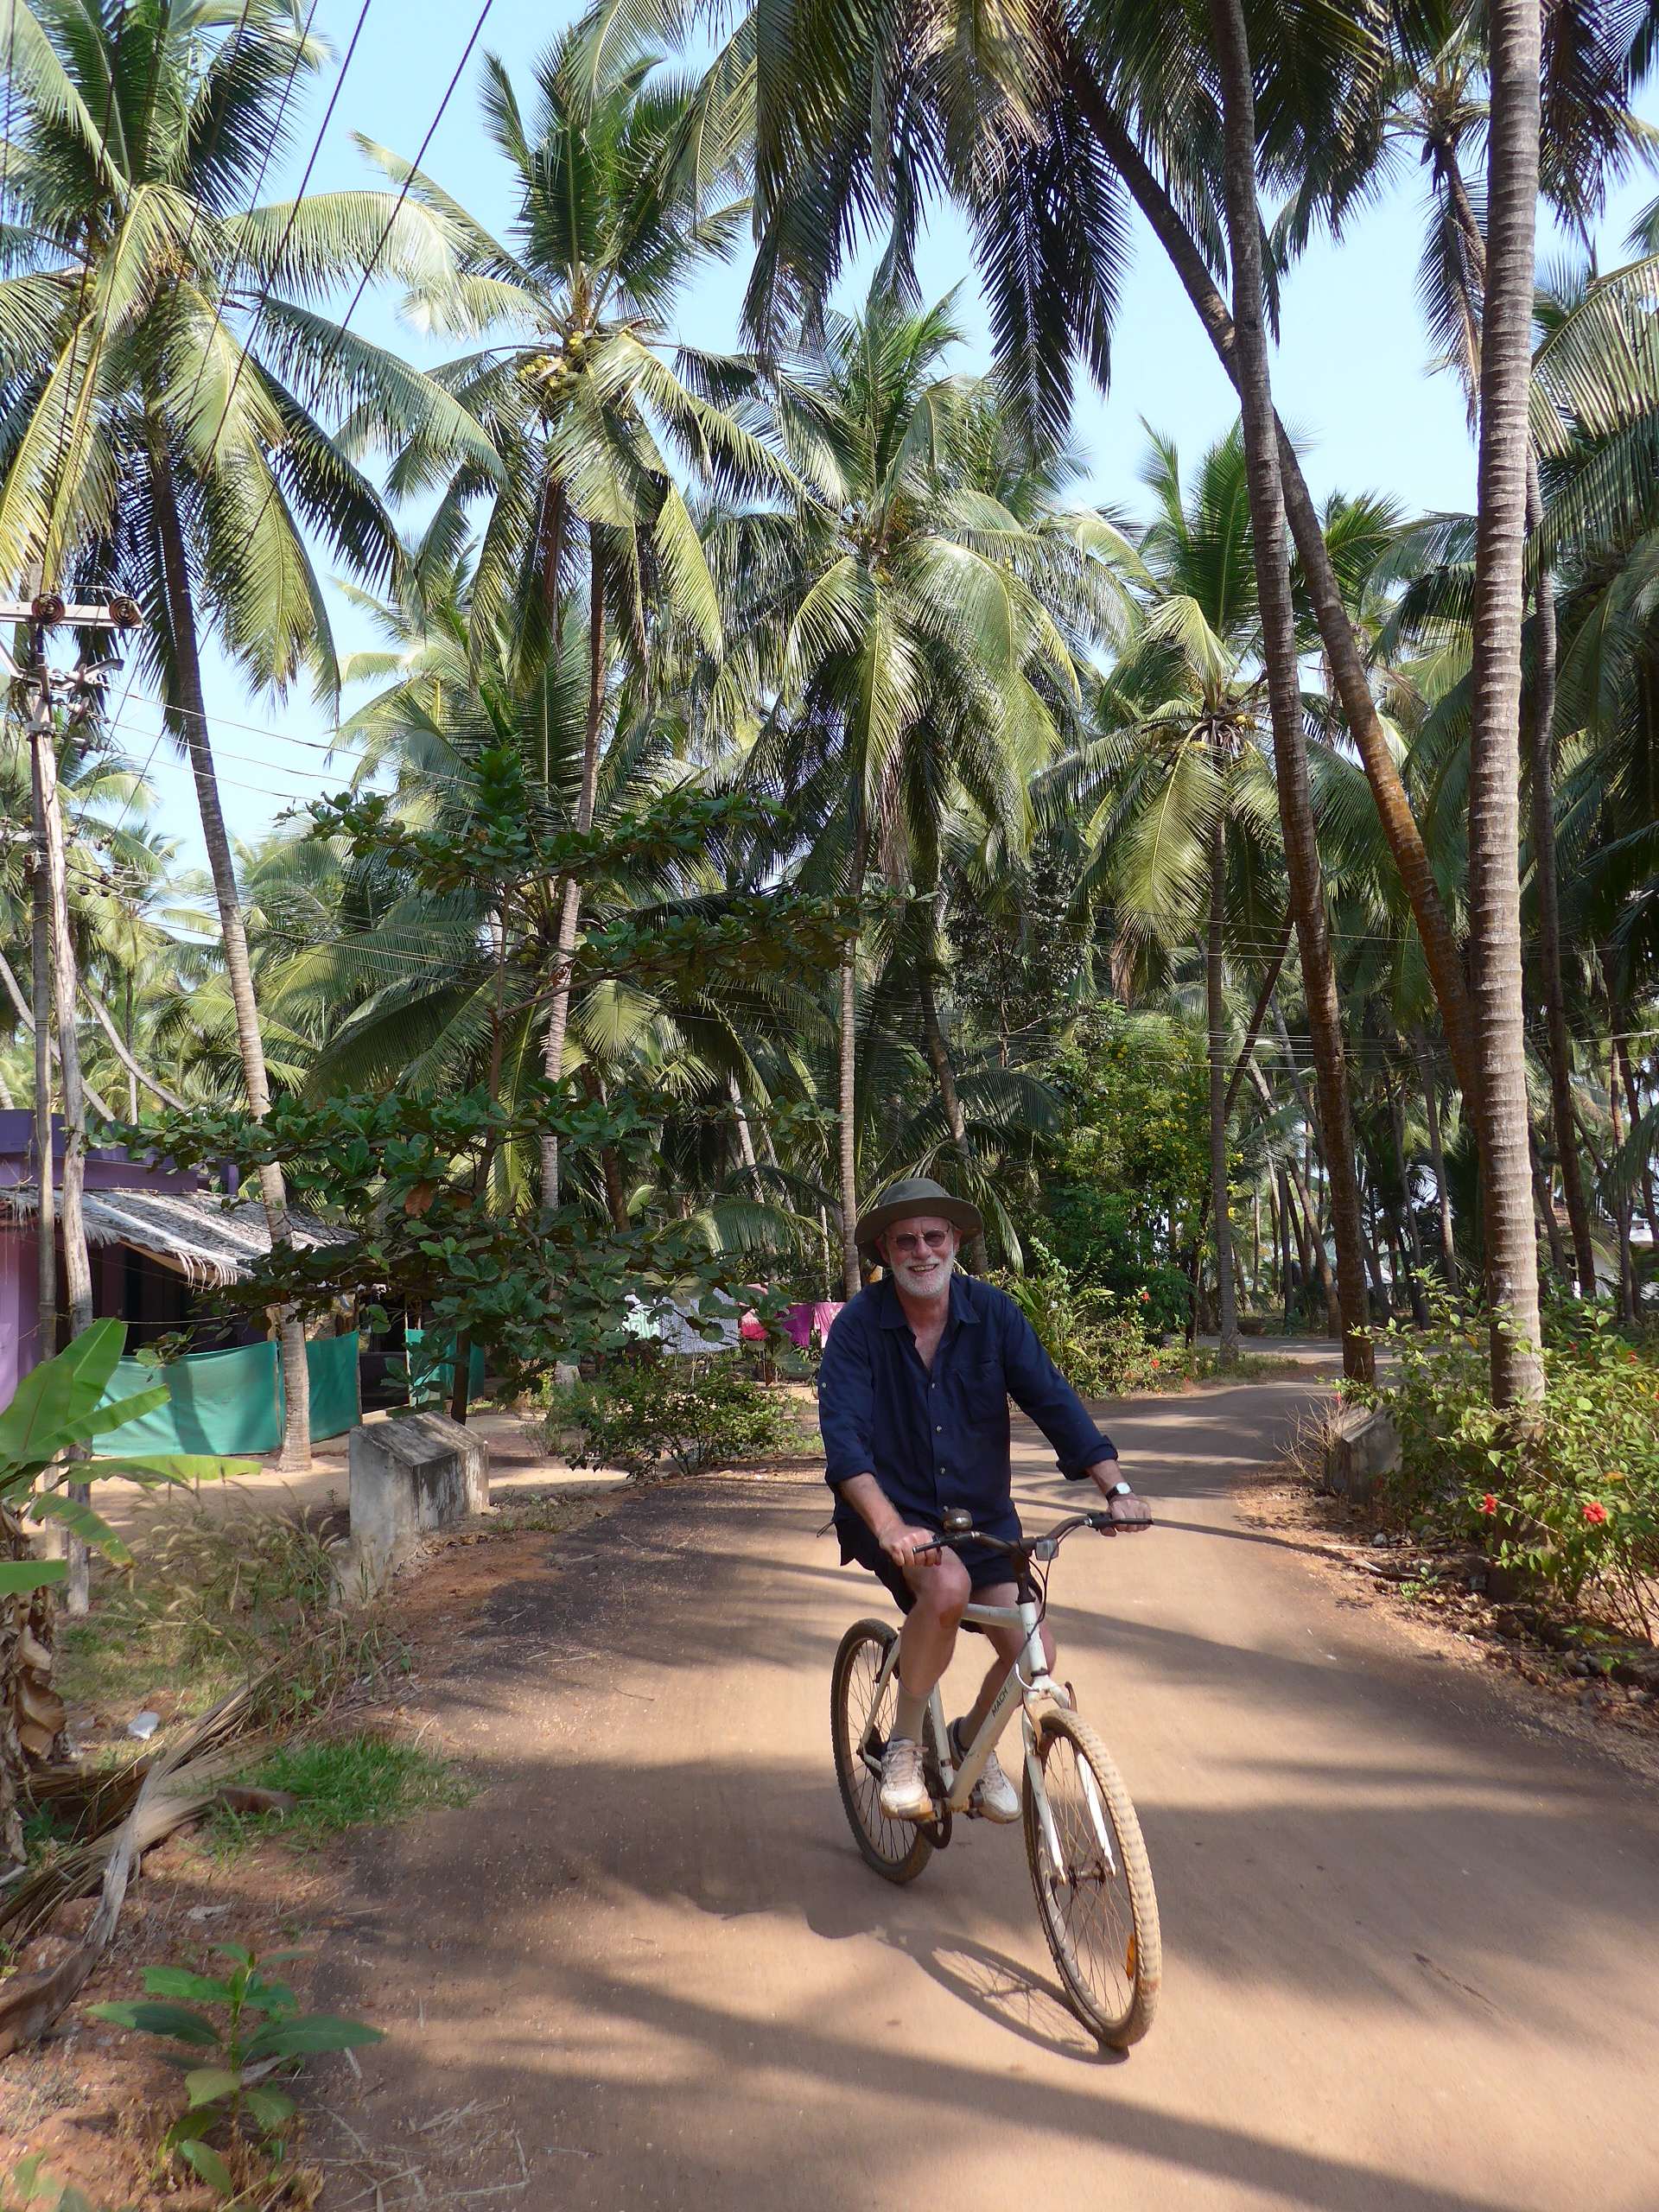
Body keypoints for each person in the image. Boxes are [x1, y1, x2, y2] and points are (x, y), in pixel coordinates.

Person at [818, 1177, 1153, 1824]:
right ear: (886, 1251)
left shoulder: (994, 1315)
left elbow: (1054, 1402)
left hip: (982, 1520)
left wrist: (1116, 1490)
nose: (922, 1252)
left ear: (955, 1241)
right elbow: (845, 1443)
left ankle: (970, 1740)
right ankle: (906, 1746)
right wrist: (889, 1526)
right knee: (945, 1588)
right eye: (906, 1241)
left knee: (1035, 1648)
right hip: (896, 1516)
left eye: (934, 1237)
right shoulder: (858, 1328)